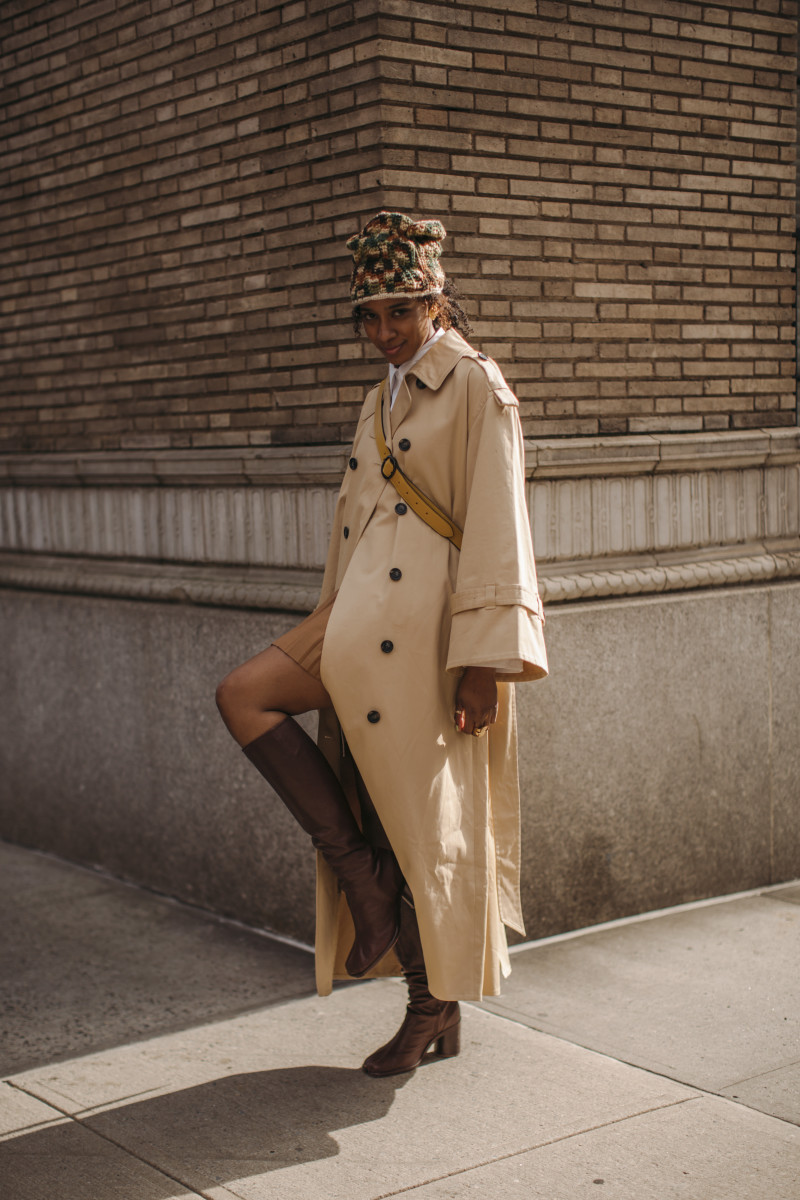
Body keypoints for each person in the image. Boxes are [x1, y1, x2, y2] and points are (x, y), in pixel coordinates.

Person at [216, 210, 548, 1077]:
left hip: (430, 642)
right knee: (244, 695)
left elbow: (499, 527)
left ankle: (430, 1008)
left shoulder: (476, 385)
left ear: (437, 302)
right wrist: (330, 618)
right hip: (356, 629)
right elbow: (358, 530)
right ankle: (359, 879)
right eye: (368, 314)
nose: (383, 331)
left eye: (400, 310)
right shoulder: (380, 397)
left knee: (418, 823)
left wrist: (484, 662)